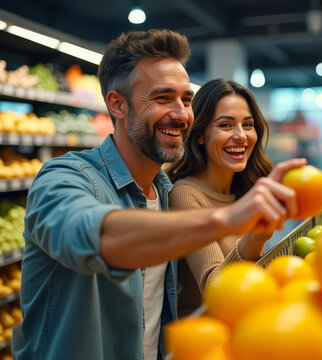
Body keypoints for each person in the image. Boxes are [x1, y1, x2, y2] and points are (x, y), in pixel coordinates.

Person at [11, 29, 306, 360]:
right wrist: (228, 218)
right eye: (163, 98)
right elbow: (97, 236)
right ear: (117, 105)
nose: (181, 114)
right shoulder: (64, 180)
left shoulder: (167, 195)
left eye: (186, 99)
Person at [166, 79, 274, 316]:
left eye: (248, 125)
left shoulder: (248, 189)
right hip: (204, 342)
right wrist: (254, 238)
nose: (241, 136)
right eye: (225, 125)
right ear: (201, 134)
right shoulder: (185, 196)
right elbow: (215, 287)